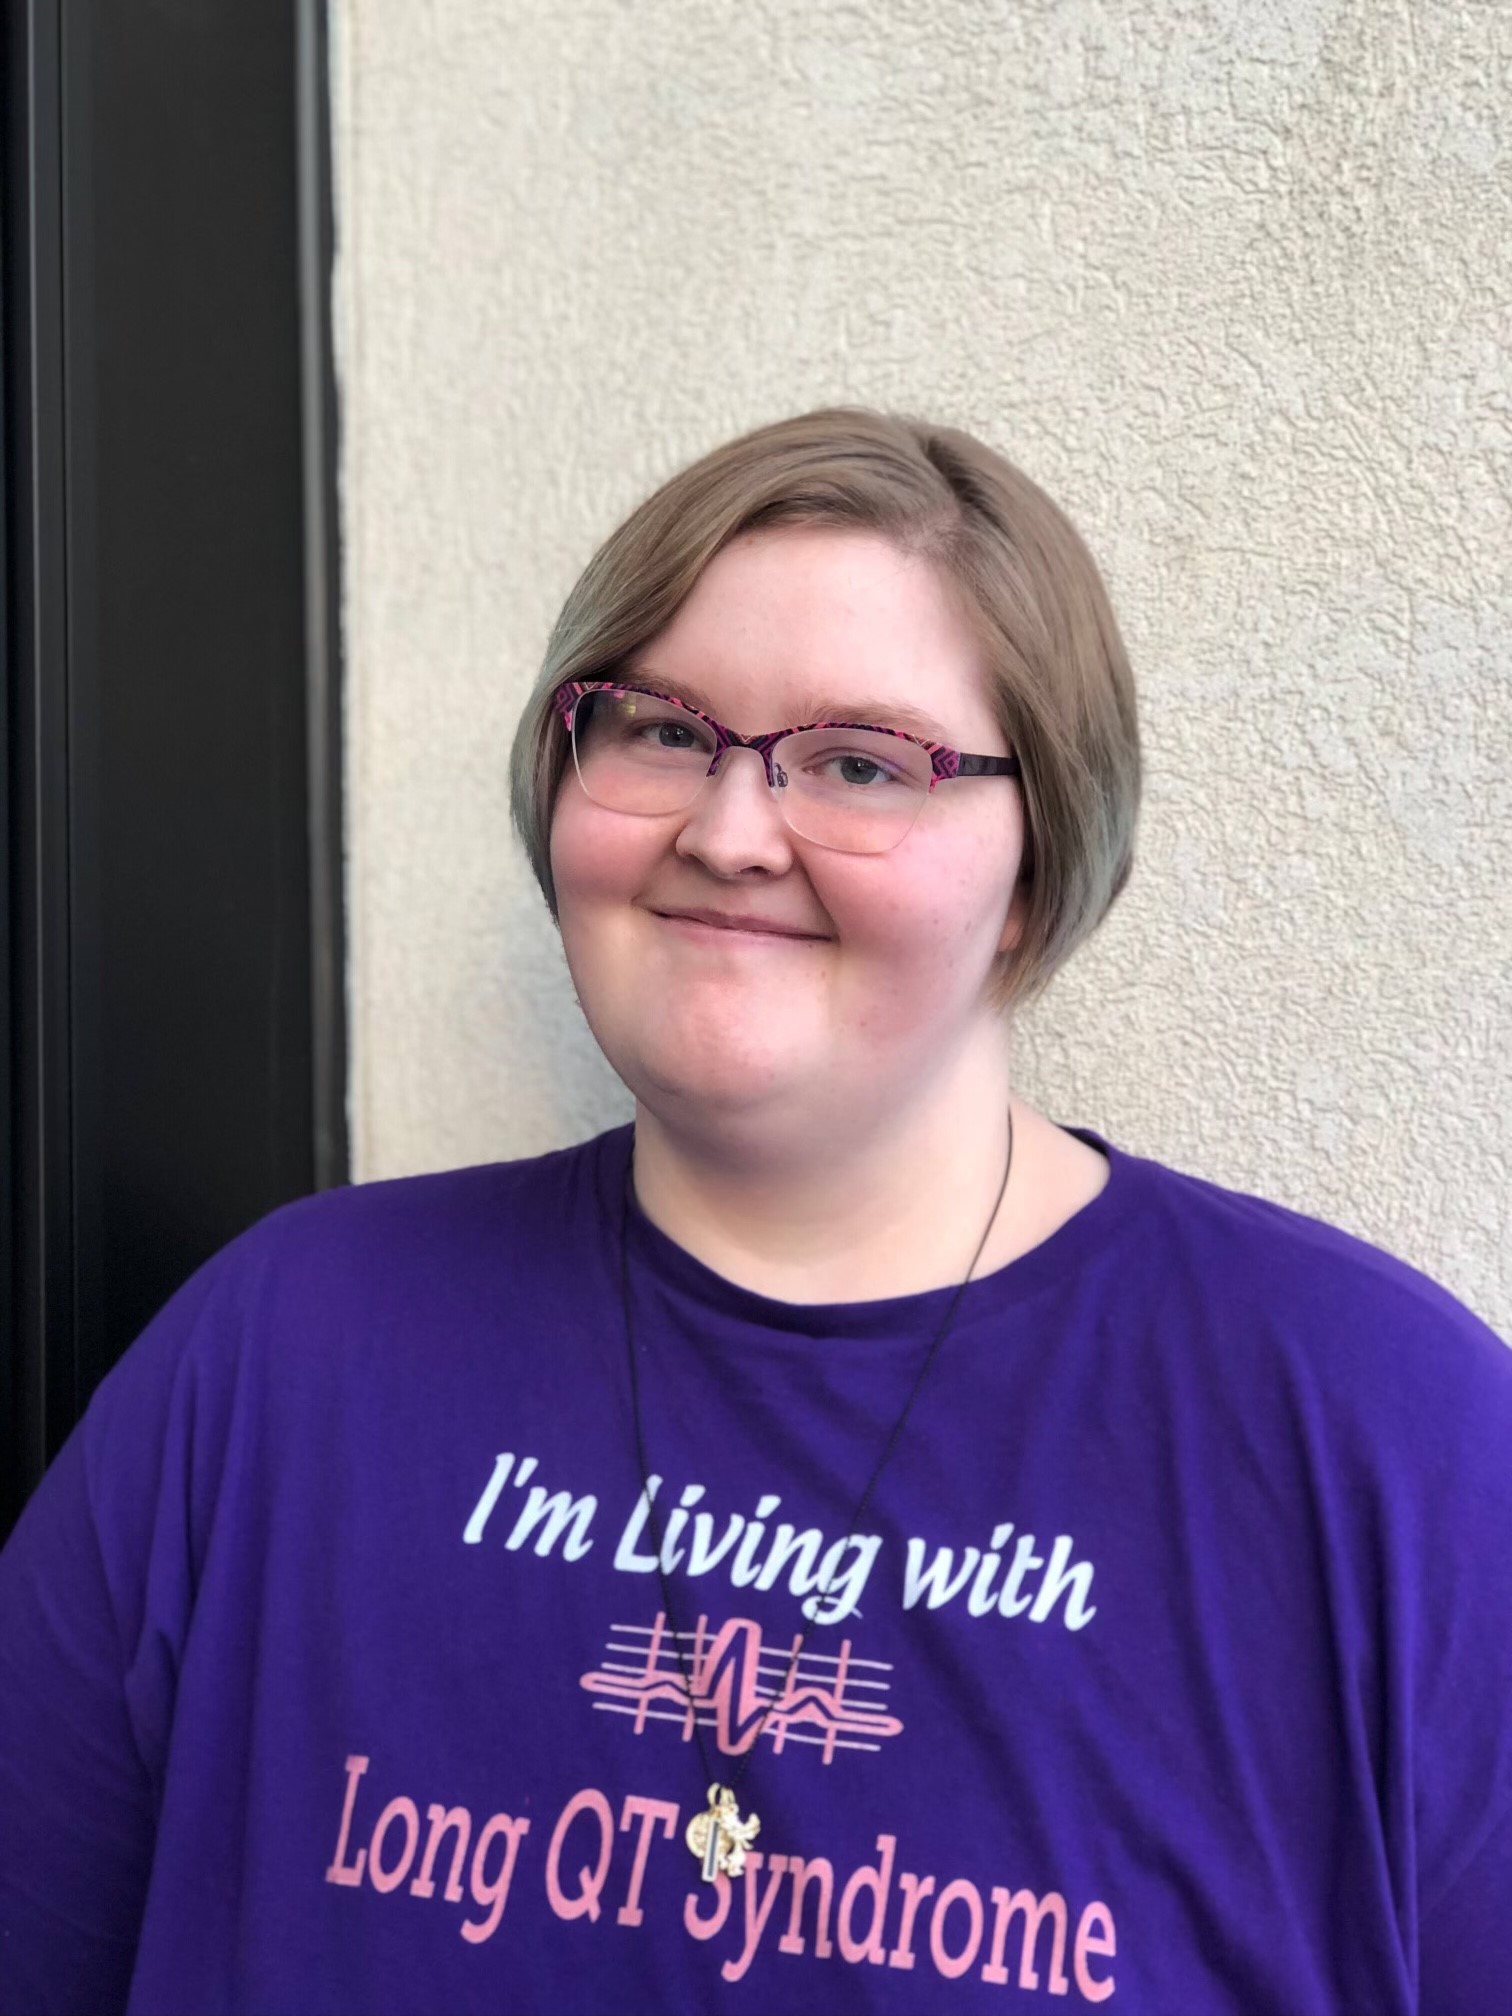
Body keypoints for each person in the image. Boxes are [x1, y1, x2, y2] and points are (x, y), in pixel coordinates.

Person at [1, 408, 1508, 2016]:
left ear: (1040, 874)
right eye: (658, 730)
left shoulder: (1389, 1440)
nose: (727, 834)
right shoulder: (278, 1356)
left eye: (863, 763)